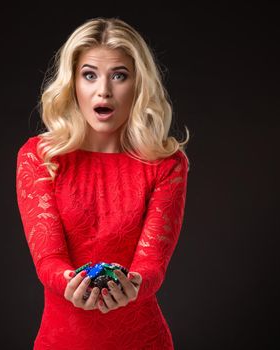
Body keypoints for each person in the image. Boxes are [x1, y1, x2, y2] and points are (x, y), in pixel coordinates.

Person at [16, 17, 190, 349]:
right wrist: (72, 283)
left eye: (119, 76)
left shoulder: (166, 164)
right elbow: (48, 259)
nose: (104, 90)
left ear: (139, 85)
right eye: (90, 75)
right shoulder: (39, 157)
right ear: (73, 83)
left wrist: (134, 284)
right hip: (61, 341)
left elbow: (152, 264)